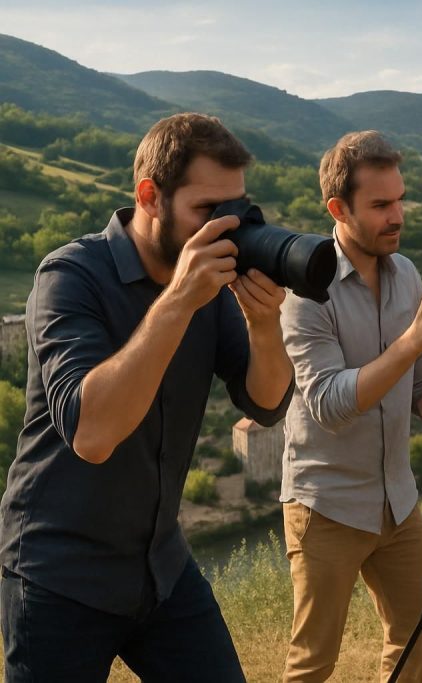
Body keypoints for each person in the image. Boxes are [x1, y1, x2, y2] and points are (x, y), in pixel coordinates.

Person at [0, 113, 295, 682]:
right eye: (207, 212)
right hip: (57, 574)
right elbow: (93, 433)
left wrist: (264, 324)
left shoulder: (209, 287)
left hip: (160, 566)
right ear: (150, 197)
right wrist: (179, 300)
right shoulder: (69, 277)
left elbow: (266, 403)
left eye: (236, 210)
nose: (226, 228)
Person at [278, 130, 422, 682]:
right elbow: (331, 403)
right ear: (338, 208)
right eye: (380, 205)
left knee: (416, 638)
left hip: (397, 497)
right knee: (314, 662)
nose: (397, 216)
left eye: (399, 199)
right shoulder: (305, 290)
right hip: (327, 501)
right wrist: (411, 340)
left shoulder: (405, 272)